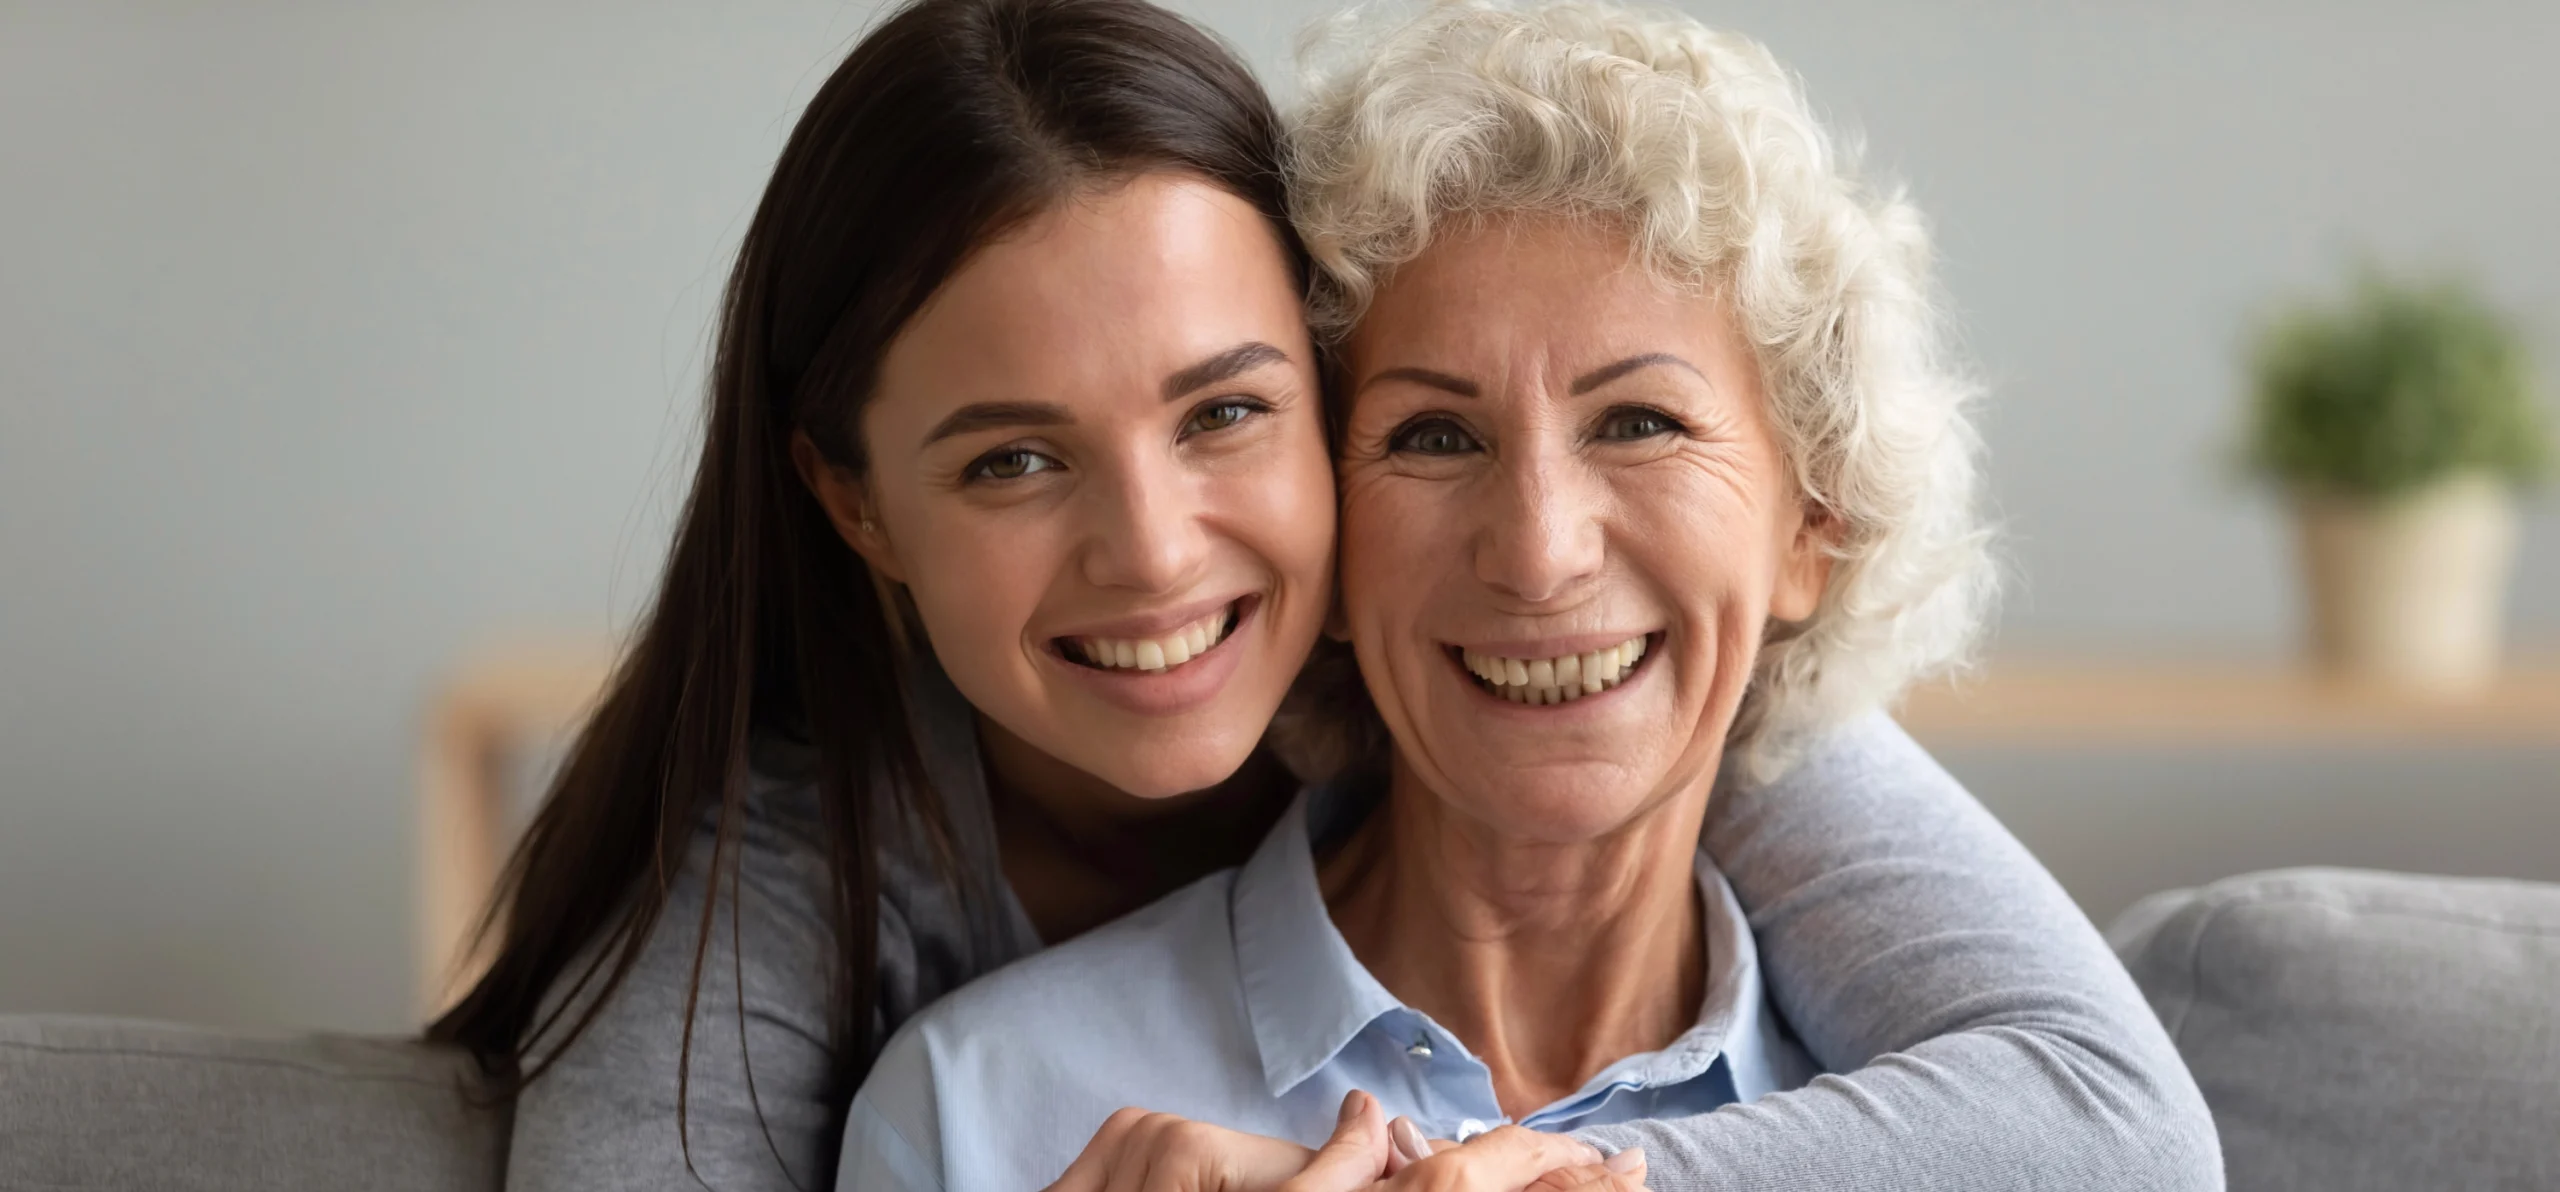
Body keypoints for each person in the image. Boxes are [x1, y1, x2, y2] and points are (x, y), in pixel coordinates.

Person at [427, 0, 2217, 1188]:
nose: (1156, 551)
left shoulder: (1711, 731)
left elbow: (2120, 1124)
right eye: (1010, 459)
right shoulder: (847, 959)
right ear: (854, 505)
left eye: (1223, 412)